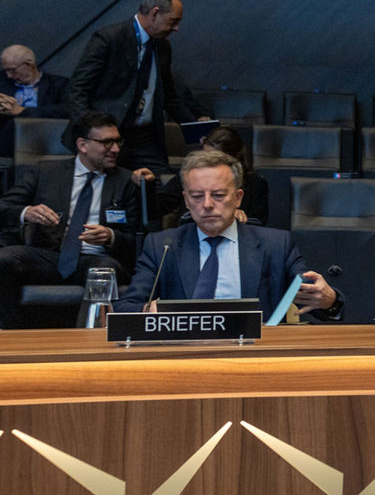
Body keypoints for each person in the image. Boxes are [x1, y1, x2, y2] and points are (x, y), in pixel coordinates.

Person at [117, 149, 341, 319]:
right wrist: (148, 310)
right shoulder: (162, 246)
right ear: (185, 200)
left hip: (254, 357)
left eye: (218, 195)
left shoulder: (276, 244)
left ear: (238, 198)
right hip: (182, 356)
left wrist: (328, 300)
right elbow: (126, 306)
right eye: (196, 196)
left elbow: (311, 301)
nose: (207, 204)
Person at [0, 112, 140, 328]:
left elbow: (138, 237)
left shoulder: (125, 181)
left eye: (117, 141)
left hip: (95, 259)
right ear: (82, 145)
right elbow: (4, 207)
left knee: (103, 271)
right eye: (106, 142)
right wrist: (26, 211)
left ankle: (88, 340)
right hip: (50, 256)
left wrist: (111, 236)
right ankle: (9, 335)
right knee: (5, 258)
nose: (115, 149)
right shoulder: (45, 172)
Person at [65, 0, 200, 173]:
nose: (176, 29)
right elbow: (77, 88)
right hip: (108, 137)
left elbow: (169, 96)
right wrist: (90, 133)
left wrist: (199, 130)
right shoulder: (109, 38)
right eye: (173, 21)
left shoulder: (163, 47)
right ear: (155, 13)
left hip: (145, 137)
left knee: (161, 186)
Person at [136, 126, 269, 227]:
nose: (207, 162)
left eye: (215, 159)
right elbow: (154, 211)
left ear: (233, 158)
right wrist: (147, 185)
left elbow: (259, 226)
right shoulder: (189, 177)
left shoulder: (255, 184)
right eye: (204, 155)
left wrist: (235, 220)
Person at [1, 44, 69, 158]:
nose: (9, 75)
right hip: (7, 144)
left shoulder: (58, 84)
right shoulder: (2, 82)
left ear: (28, 64)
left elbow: (68, 109)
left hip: (43, 141)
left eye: (12, 70)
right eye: (6, 71)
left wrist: (22, 111)